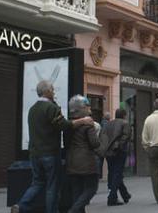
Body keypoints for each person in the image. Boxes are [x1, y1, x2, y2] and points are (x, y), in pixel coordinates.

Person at [12, 81, 93, 213]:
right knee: (52, 187)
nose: (54, 91)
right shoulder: (51, 108)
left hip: (34, 154)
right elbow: (64, 125)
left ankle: (21, 205)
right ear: (47, 91)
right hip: (49, 153)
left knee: (37, 183)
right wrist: (83, 121)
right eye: (52, 89)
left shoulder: (32, 109)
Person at [65, 96, 101, 213]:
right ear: (83, 108)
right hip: (86, 162)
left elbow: (66, 143)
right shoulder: (88, 123)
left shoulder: (69, 124)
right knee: (91, 188)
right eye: (87, 106)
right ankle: (73, 210)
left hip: (72, 161)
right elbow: (94, 143)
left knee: (77, 191)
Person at [102, 107, 132, 206]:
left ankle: (125, 194)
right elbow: (126, 136)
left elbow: (103, 137)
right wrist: (119, 146)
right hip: (119, 152)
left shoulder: (108, 124)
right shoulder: (125, 123)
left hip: (108, 152)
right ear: (124, 115)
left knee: (113, 173)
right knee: (117, 174)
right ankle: (112, 197)